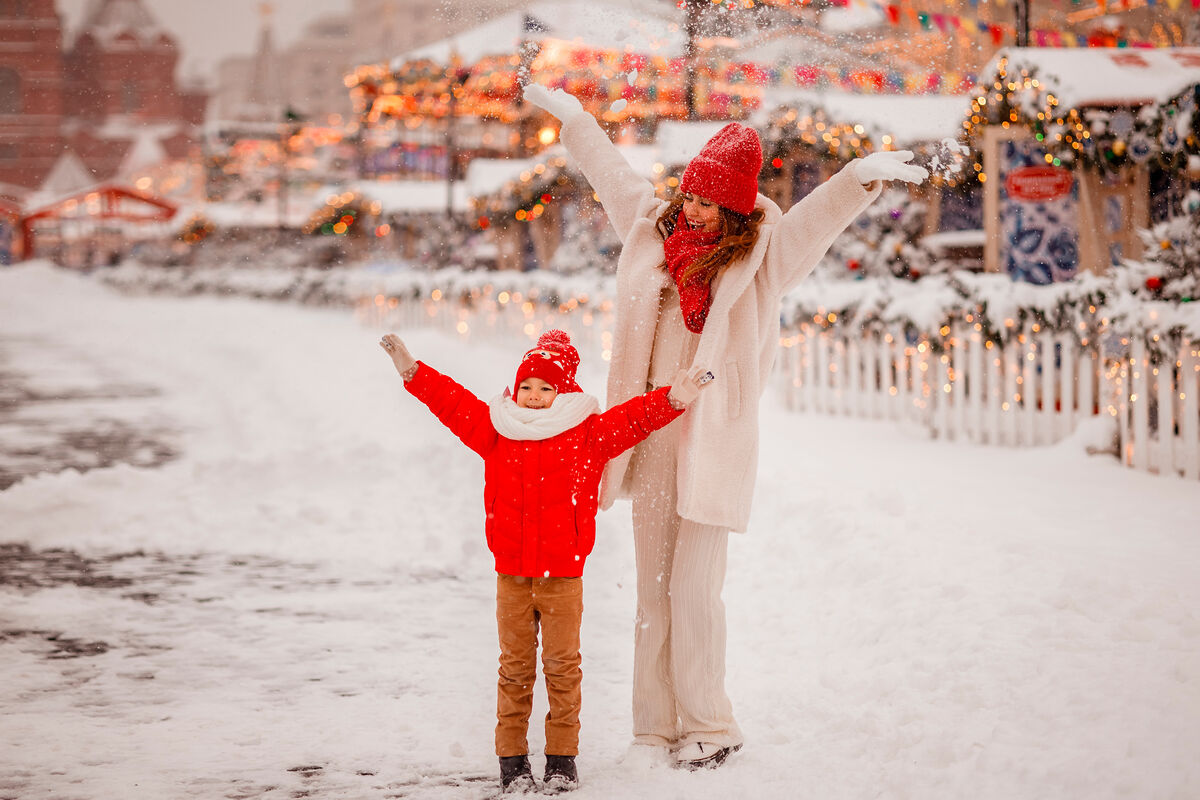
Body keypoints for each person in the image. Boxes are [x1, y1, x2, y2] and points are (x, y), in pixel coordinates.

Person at [523, 84, 928, 770]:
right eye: (692, 196)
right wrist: (579, 123)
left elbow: (812, 222)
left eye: (710, 202)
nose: (695, 209)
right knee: (652, 589)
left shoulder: (761, 259)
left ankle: (709, 722)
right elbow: (613, 175)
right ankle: (653, 728)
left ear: (736, 207)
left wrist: (857, 179)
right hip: (649, 432)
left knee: (694, 589)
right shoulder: (653, 232)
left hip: (713, 443)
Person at [379, 329, 713, 794]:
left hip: (563, 577)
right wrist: (413, 373)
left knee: (562, 668)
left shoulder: (586, 433)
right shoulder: (497, 429)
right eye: (527, 388)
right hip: (512, 576)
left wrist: (675, 398)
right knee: (513, 668)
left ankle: (562, 760)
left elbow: (633, 420)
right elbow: (453, 404)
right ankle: (512, 761)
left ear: (564, 392)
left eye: (545, 388)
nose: (534, 397)